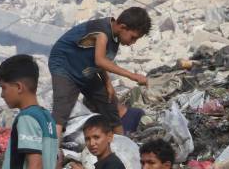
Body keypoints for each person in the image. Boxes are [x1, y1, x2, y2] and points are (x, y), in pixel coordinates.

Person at [48, 7, 152, 137]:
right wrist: (132, 76)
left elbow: (101, 60)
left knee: (109, 103)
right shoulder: (102, 32)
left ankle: (123, 145)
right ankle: (52, 153)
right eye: (133, 38)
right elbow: (100, 61)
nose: (132, 43)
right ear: (123, 27)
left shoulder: (115, 37)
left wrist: (107, 84)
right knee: (61, 110)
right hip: (65, 65)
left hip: (85, 69)